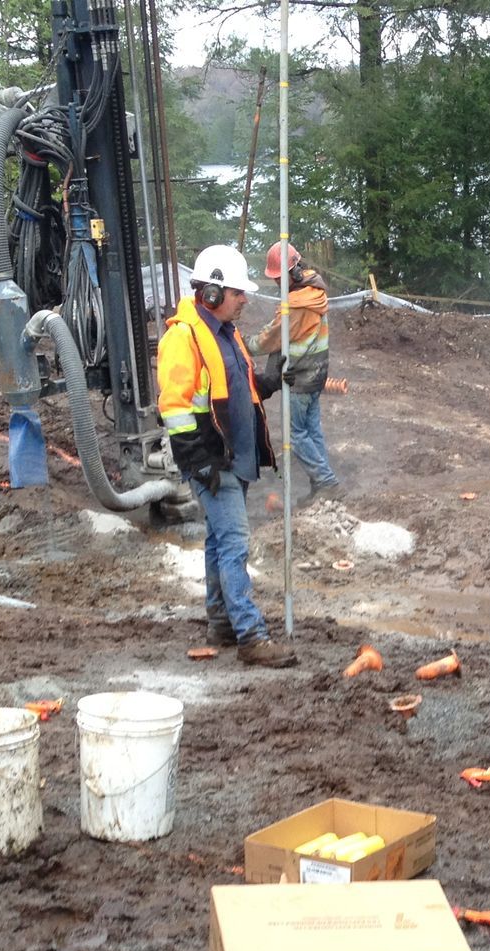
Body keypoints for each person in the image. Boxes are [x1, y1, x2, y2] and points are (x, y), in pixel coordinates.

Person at [156, 243, 297, 666]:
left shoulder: (226, 333)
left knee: (219, 541)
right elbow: (176, 408)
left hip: (233, 456)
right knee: (235, 542)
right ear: (213, 294)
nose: (244, 300)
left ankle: (221, 622)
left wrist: (268, 382)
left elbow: (236, 382)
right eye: (238, 293)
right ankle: (252, 636)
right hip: (210, 459)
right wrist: (198, 460)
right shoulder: (183, 338)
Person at [253, 241, 340, 504]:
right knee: (312, 431)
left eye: (278, 278)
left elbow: (271, 338)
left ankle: (326, 482)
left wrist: (242, 344)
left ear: (291, 273)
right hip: (316, 374)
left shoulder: (296, 304)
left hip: (300, 378)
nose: (277, 283)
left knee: (295, 434)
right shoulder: (315, 293)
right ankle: (322, 487)